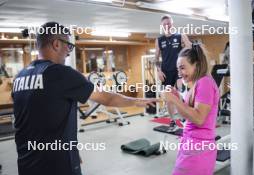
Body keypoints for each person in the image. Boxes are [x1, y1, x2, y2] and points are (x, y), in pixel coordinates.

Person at [11, 22, 157, 175]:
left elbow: (34, 119)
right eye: (68, 45)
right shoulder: (61, 73)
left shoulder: (20, 77)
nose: (69, 51)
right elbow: (107, 98)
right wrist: (136, 100)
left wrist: (71, 148)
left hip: (26, 164)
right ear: (56, 44)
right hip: (57, 165)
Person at [161, 43, 220, 175]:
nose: (180, 73)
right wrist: (174, 99)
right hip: (190, 144)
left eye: (183, 68)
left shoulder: (205, 82)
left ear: (197, 65)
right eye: (178, 69)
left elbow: (199, 119)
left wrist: (175, 99)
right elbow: (178, 117)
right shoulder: (194, 86)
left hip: (199, 148)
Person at [155, 15, 192, 128]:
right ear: (162, 25)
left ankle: (185, 117)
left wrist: (185, 45)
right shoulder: (159, 40)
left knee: (181, 93)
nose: (167, 26)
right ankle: (172, 120)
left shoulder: (180, 35)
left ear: (172, 24)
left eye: (169, 23)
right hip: (166, 72)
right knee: (169, 98)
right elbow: (156, 58)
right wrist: (159, 71)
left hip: (179, 71)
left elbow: (190, 48)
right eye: (165, 24)